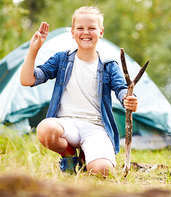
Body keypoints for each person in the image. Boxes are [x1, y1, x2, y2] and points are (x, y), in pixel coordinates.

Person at [20, 6, 138, 176]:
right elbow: (27, 80)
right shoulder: (62, 59)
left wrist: (130, 99)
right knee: (45, 129)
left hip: (96, 127)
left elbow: (122, 91)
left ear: (101, 32)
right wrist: (33, 50)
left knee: (102, 171)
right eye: (80, 28)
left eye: (91, 28)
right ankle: (68, 156)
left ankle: (85, 157)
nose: (85, 32)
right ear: (73, 32)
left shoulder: (109, 65)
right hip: (67, 125)